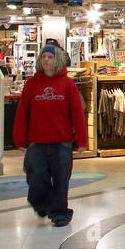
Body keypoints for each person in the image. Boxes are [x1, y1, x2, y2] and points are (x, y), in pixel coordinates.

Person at [12, 44, 88, 226]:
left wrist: (81, 141)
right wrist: (19, 138)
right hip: (36, 143)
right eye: (43, 57)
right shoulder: (31, 84)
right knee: (36, 176)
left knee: (62, 180)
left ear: (57, 60)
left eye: (50, 57)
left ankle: (60, 213)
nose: (46, 60)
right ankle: (40, 202)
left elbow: (77, 114)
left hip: (62, 143)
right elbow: (22, 112)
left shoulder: (68, 85)